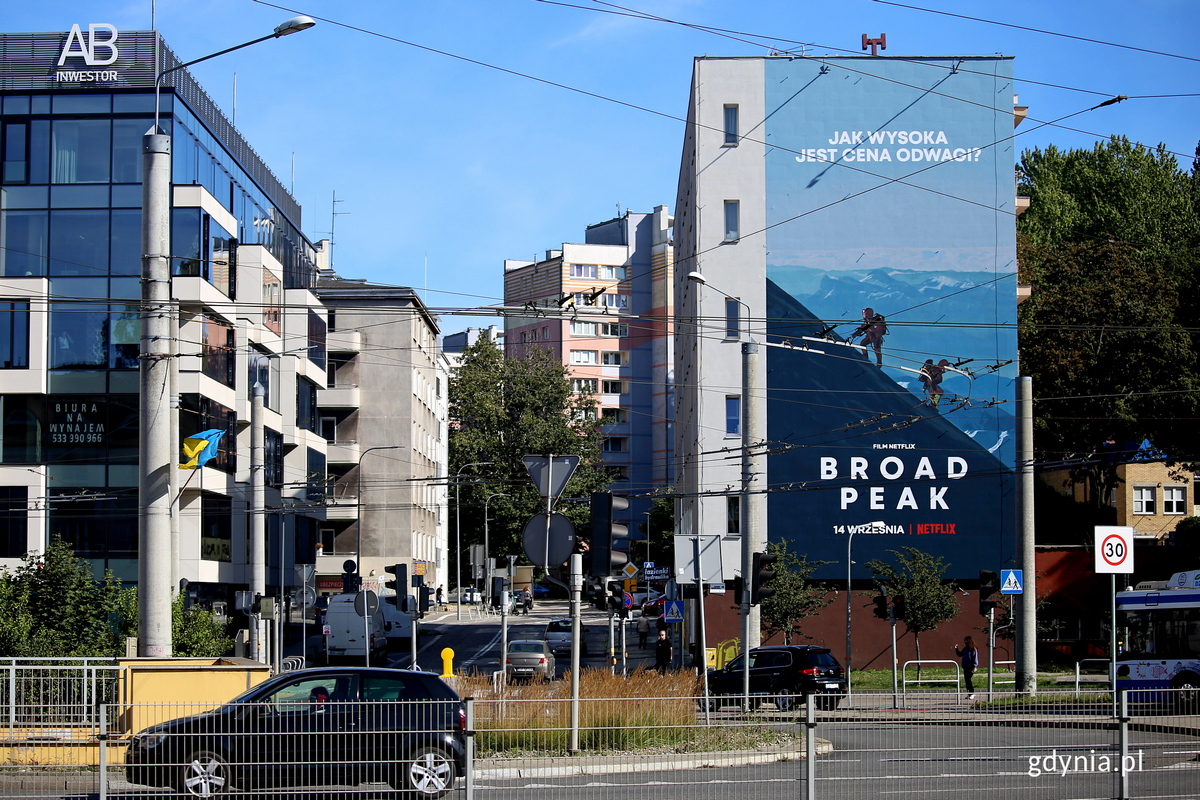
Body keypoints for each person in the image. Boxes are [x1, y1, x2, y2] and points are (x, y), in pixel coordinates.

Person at [955, 635, 980, 700]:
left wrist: (975, 666)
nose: (965, 642)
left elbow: (975, 658)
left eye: (966, 641)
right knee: (967, 680)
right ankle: (969, 694)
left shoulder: (973, 649)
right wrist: (956, 649)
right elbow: (960, 654)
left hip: (971, 666)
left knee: (968, 680)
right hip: (965, 666)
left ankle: (972, 693)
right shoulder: (965, 648)